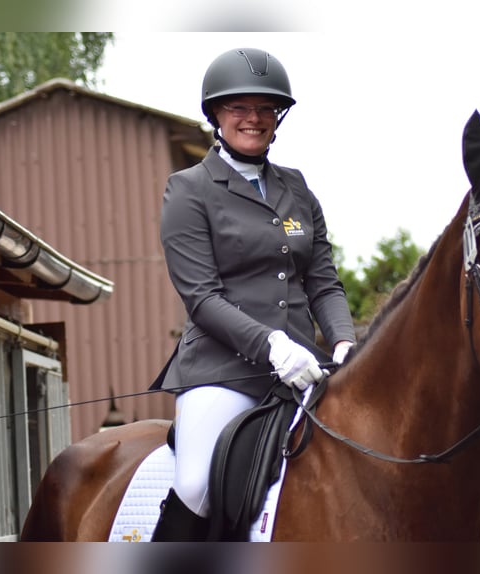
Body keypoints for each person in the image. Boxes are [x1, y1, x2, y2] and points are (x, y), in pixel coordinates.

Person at [148, 47, 356, 541]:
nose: (253, 119)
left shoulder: (297, 189)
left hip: (305, 371)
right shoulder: (188, 190)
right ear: (216, 115)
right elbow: (201, 296)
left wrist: (344, 341)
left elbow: (323, 279)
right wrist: (271, 345)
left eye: (264, 109)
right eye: (239, 108)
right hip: (224, 372)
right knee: (197, 484)